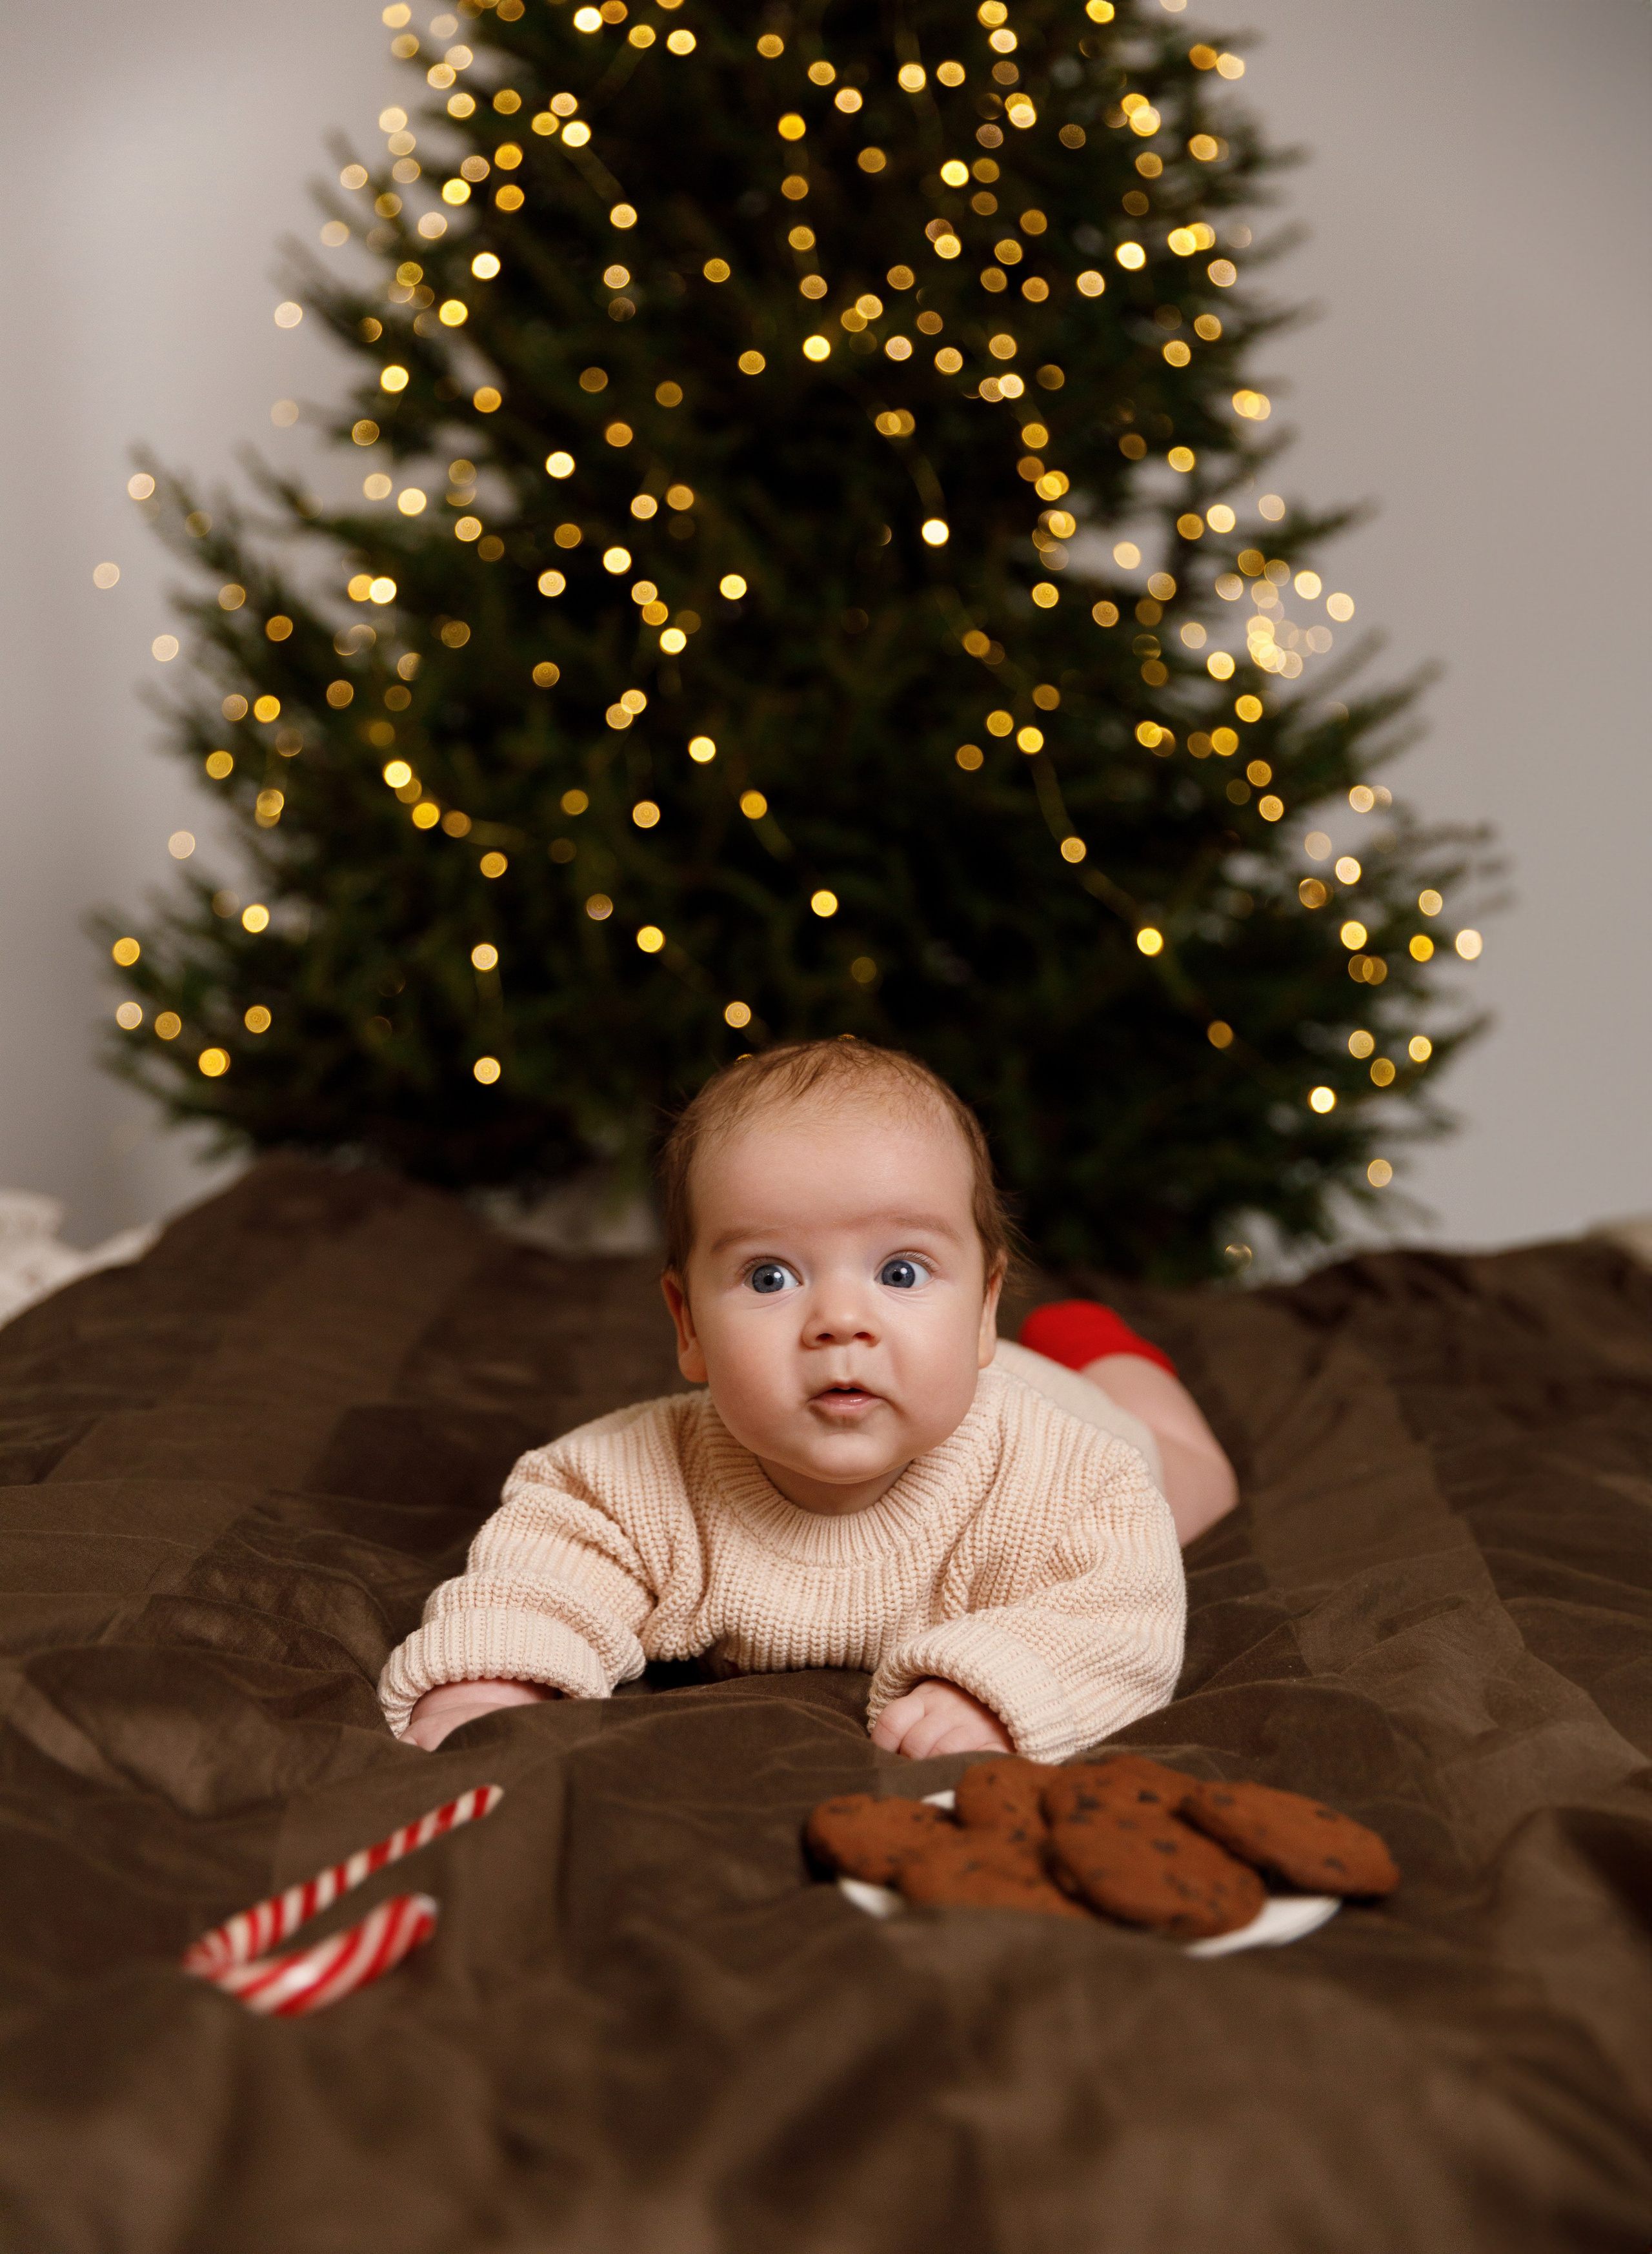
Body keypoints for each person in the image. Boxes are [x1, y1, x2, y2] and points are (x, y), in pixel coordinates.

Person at [381, 1040, 1213, 1762]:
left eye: (900, 1272)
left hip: (1064, 1403)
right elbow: (545, 1568)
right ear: (689, 1325)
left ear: (986, 1306)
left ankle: (1100, 1343)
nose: (841, 1323)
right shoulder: (635, 1482)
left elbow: (1118, 1616)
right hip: (961, 1374)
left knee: (1196, 1483)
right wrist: (496, 1675)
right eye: (770, 1277)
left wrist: (998, 1693)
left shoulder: (1074, 1481)